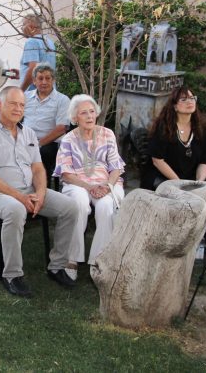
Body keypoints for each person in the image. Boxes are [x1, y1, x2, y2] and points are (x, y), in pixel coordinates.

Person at [0, 86, 78, 298]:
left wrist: (39, 193)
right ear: (0, 105)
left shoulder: (28, 133)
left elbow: (38, 168)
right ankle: (12, 274)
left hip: (29, 191)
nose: (18, 108)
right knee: (15, 210)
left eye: (22, 105)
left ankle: (57, 266)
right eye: (13, 103)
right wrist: (19, 197)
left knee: (70, 207)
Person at [53, 95, 125, 280]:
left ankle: (99, 259)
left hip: (106, 182)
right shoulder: (68, 139)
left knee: (106, 207)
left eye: (92, 111)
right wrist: (89, 186)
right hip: (77, 182)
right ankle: (73, 258)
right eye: (83, 113)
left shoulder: (107, 134)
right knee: (80, 203)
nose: (89, 116)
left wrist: (108, 186)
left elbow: (116, 167)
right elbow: (66, 173)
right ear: (75, 117)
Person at [143, 86, 206, 189]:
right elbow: (157, 161)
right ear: (174, 106)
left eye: (192, 98)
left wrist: (199, 182)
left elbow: (205, 161)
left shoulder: (202, 129)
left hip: (190, 181)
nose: (190, 102)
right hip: (164, 179)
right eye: (184, 99)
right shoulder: (163, 127)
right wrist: (179, 184)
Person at [23, 64, 70, 179]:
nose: (44, 82)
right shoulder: (25, 97)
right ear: (34, 81)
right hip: (24, 138)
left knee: (43, 153)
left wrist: (38, 144)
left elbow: (62, 128)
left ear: (53, 80)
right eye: (40, 78)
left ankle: (44, 188)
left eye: (48, 78)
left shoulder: (62, 100)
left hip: (49, 142)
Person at [19, 13, 56, 91]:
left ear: (31, 26)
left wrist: (21, 91)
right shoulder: (49, 42)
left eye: (23, 25)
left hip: (34, 95)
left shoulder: (31, 42)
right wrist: (21, 74)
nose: (22, 28)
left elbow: (33, 69)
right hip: (50, 92)